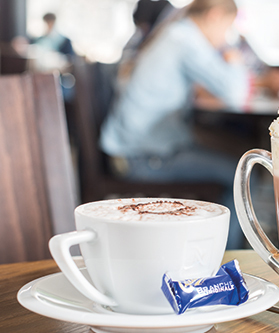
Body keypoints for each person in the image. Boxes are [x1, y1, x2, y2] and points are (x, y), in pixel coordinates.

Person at [100, 0, 249, 248]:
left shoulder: (176, 33)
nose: (225, 36)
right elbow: (236, 92)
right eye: (227, 28)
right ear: (214, 16)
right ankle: (228, 260)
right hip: (144, 159)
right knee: (245, 174)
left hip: (139, 148)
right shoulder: (185, 39)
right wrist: (231, 54)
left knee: (235, 153)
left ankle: (216, 247)